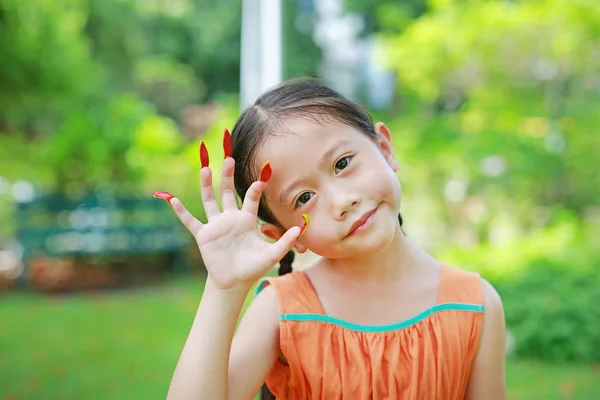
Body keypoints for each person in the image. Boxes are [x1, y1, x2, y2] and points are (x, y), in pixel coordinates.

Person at [155, 79, 506, 399]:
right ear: (285, 237)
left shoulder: (475, 304)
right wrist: (224, 289)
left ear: (385, 148)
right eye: (303, 198)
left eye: (342, 163)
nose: (342, 201)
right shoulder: (281, 312)